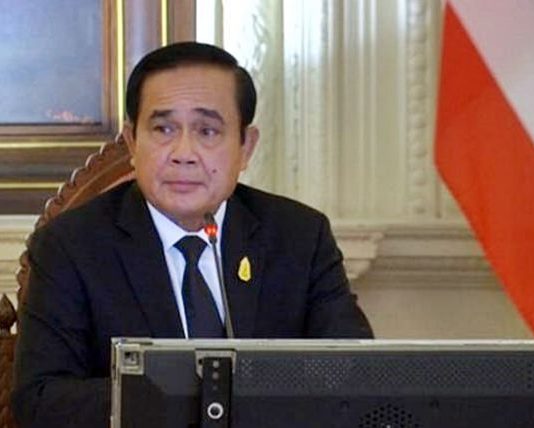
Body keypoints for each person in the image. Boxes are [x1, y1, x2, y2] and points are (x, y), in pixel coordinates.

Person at [12, 42, 373, 427]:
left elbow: (357, 374)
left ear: (246, 147)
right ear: (133, 142)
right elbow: (41, 400)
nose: (183, 153)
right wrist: (196, 397)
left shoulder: (299, 237)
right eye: (163, 129)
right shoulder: (71, 246)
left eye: (208, 131)